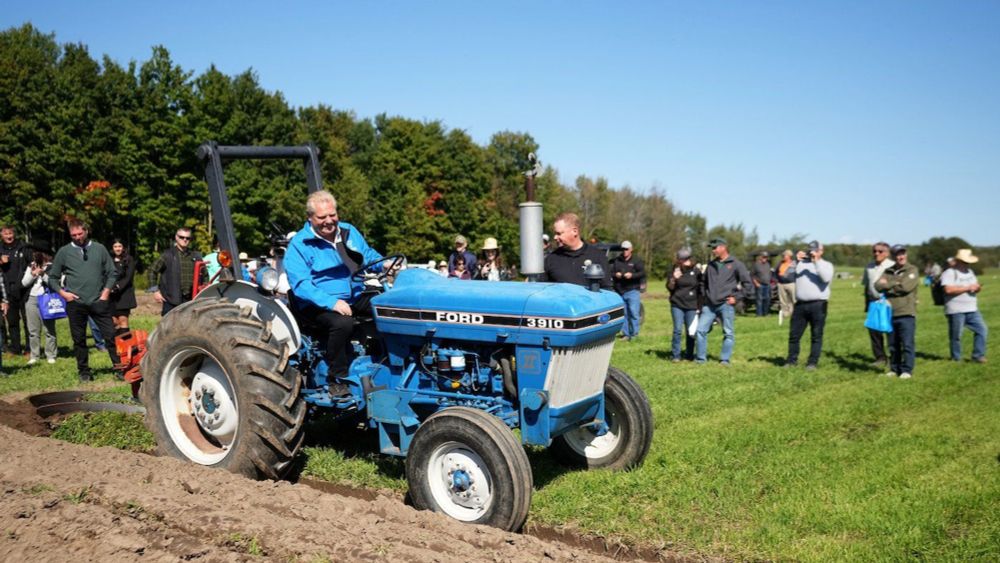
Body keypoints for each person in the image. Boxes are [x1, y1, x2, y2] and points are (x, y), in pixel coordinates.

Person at [284, 190, 383, 393]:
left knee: (387, 307)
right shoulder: (300, 244)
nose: (329, 221)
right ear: (310, 218)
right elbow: (301, 285)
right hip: (315, 304)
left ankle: (384, 361)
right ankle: (337, 378)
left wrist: (385, 263)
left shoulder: (348, 231)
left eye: (333, 215)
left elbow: (368, 255)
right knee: (342, 323)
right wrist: (332, 303)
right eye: (322, 217)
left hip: (354, 294)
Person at [47, 220, 120, 382]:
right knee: (79, 339)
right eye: (74, 235)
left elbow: (112, 273)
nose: (77, 237)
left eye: (80, 234)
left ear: (86, 231)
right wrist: (64, 294)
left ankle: (119, 368)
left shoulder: (99, 249)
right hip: (76, 303)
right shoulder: (64, 252)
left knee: (110, 336)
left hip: (98, 301)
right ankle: (84, 371)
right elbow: (52, 277)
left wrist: (105, 293)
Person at [695, 238, 751, 366]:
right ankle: (700, 359)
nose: (713, 250)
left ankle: (724, 360)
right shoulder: (710, 265)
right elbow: (703, 283)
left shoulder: (736, 264)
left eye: (715, 248)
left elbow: (748, 285)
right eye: (712, 248)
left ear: (723, 247)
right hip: (709, 305)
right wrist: (705, 296)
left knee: (728, 333)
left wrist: (736, 298)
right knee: (700, 331)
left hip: (726, 305)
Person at [784, 241, 835, 370]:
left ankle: (812, 362)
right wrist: (795, 261)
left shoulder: (826, 265)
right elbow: (786, 275)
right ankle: (791, 361)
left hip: (818, 304)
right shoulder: (800, 264)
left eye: (815, 250)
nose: (811, 252)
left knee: (816, 335)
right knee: (794, 335)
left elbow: (825, 278)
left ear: (821, 251)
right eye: (810, 250)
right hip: (800, 304)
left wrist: (816, 262)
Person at [875, 245, 919, 379]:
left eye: (903, 253)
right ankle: (894, 368)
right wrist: (895, 283)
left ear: (906, 254)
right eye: (897, 254)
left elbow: (905, 287)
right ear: (894, 257)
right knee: (893, 345)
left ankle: (907, 370)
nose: (901, 257)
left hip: (906, 312)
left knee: (907, 343)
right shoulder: (889, 270)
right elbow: (877, 285)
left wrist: (887, 285)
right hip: (890, 313)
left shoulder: (912, 270)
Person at [540, 212, 612, 288]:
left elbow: (607, 290)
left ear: (575, 231)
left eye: (559, 233)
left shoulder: (598, 257)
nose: (555, 237)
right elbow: (541, 290)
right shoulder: (551, 259)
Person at [940, 248, 987, 363]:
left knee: (982, 330)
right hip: (956, 310)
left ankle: (978, 355)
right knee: (956, 336)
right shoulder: (949, 273)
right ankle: (956, 358)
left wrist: (977, 288)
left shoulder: (970, 272)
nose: (968, 264)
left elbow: (974, 285)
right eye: (966, 261)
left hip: (972, 308)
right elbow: (948, 289)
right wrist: (967, 288)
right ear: (959, 261)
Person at [147, 226, 205, 316]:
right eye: (182, 237)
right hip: (171, 299)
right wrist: (155, 291)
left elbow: (205, 275)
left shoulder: (196, 256)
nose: (185, 240)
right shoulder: (167, 255)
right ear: (176, 237)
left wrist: (203, 291)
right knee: (169, 327)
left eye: (187, 238)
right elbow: (152, 270)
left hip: (191, 300)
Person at [861, 242, 895, 369]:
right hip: (873, 303)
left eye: (880, 251)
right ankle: (880, 357)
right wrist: (866, 304)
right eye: (874, 251)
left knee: (890, 331)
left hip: (888, 304)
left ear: (887, 253)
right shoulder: (869, 266)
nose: (876, 253)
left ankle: (894, 357)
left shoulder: (892, 265)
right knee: (874, 331)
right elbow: (866, 285)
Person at [21, 249, 58, 364]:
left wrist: (43, 274)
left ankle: (51, 355)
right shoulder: (31, 266)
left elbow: (55, 284)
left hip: (47, 299)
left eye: (35, 253)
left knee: (49, 329)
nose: (33, 255)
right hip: (32, 299)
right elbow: (24, 283)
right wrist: (33, 274)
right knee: (33, 330)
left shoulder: (53, 266)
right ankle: (34, 356)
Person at [667, 247, 700, 362]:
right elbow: (669, 288)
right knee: (677, 330)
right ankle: (676, 355)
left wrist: (700, 305)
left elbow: (700, 287)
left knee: (690, 331)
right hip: (677, 304)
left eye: (685, 259)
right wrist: (674, 279)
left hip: (691, 304)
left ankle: (689, 354)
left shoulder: (696, 270)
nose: (683, 261)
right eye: (681, 259)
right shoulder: (675, 270)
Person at [1, 224, 29, 356]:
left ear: (14, 234)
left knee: (28, 320)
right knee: (12, 322)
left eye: (10, 233)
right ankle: (15, 348)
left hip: (24, 290)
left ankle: (29, 348)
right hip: (8, 290)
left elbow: (31, 264)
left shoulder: (23, 246)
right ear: (1, 235)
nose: (8, 236)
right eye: (5, 234)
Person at [612, 240, 646, 340]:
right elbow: (611, 272)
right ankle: (626, 334)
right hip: (620, 290)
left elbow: (642, 273)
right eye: (623, 249)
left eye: (626, 249)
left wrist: (632, 275)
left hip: (632, 290)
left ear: (631, 249)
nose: (624, 251)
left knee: (634, 313)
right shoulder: (617, 260)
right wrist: (616, 274)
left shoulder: (637, 260)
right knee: (624, 314)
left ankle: (634, 334)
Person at [108, 239, 137, 336]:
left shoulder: (129, 259)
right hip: (111, 296)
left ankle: (126, 345)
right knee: (114, 321)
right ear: (112, 248)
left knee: (123, 320)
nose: (117, 249)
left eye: (119, 246)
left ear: (123, 247)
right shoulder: (109, 260)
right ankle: (117, 346)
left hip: (124, 294)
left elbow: (128, 278)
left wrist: (117, 287)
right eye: (115, 246)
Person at [775, 250, 796, 325]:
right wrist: (777, 280)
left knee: (793, 299)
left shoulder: (794, 263)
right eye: (783, 255)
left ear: (789, 256)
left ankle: (795, 313)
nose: (783, 256)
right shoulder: (780, 263)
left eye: (785, 255)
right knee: (783, 300)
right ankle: (785, 314)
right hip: (781, 284)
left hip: (791, 284)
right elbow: (776, 272)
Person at [751, 251, 773, 317]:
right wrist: (756, 283)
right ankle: (759, 314)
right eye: (763, 257)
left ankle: (765, 313)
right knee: (759, 300)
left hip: (767, 284)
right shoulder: (756, 265)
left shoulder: (768, 264)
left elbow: (769, 274)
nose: (765, 258)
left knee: (767, 299)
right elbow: (752, 275)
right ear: (760, 257)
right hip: (760, 285)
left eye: (766, 257)